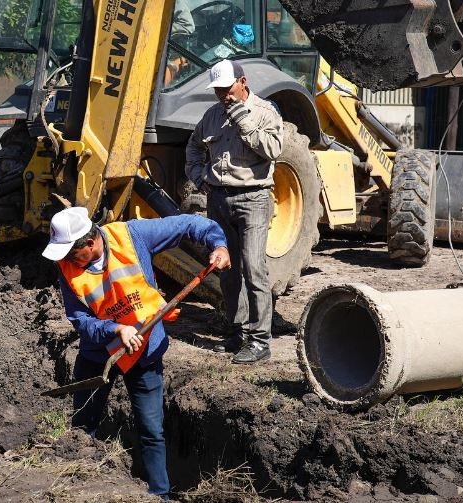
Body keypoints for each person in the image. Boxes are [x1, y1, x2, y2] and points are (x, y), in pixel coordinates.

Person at [43, 207, 230, 499]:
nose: (66, 259)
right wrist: (116, 330)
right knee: (82, 428)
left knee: (151, 431)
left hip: (145, 351)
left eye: (70, 252)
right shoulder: (66, 267)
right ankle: (77, 489)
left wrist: (218, 244)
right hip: (99, 355)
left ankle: (160, 495)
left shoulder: (131, 236)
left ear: (89, 243)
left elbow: (189, 224)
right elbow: (81, 320)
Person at [184, 59, 284, 364]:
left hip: (253, 198)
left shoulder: (265, 112)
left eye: (227, 88)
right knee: (227, 270)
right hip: (219, 200)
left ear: (242, 82)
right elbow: (193, 148)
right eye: (217, 90)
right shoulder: (211, 116)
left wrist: (243, 119)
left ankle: (260, 340)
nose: (222, 95)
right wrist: (200, 178)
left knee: (254, 266)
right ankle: (238, 333)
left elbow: (273, 150)